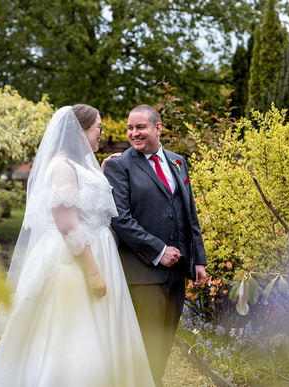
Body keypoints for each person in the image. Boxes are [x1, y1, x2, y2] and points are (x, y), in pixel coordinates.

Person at [0, 105, 154, 386]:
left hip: (95, 252)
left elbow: (86, 200)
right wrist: (93, 273)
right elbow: (68, 225)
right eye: (98, 127)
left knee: (99, 333)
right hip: (75, 262)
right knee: (75, 334)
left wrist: (103, 168)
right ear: (80, 131)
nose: (101, 133)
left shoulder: (79, 164)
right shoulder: (62, 167)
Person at [103, 104, 208, 387]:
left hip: (178, 271)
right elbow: (120, 219)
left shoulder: (177, 161)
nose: (133, 134)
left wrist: (198, 259)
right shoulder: (119, 165)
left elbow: (189, 213)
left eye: (140, 127)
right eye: (130, 128)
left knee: (164, 343)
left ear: (158, 128)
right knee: (147, 347)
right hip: (143, 273)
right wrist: (159, 251)